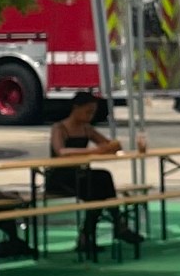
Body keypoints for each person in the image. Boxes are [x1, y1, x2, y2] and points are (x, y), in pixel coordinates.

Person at [44, 93, 134, 254]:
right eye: (87, 111)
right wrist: (93, 151)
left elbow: (105, 144)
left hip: (81, 175)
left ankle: (92, 234)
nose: (90, 116)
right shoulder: (59, 128)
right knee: (99, 184)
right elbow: (61, 152)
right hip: (61, 177)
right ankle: (114, 224)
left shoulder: (87, 129)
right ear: (76, 108)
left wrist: (112, 146)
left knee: (101, 180)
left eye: (92, 112)